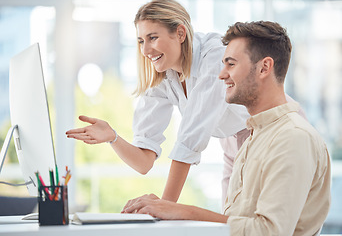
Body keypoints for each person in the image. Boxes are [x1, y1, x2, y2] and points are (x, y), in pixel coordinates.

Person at [121, 21, 331, 236]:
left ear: (264, 67)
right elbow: (238, 224)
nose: (220, 75)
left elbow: (269, 231)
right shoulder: (251, 141)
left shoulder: (293, 139)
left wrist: (178, 209)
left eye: (230, 64)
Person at [66, 0, 249, 203]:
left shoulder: (215, 55)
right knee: (232, 224)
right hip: (232, 145)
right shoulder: (165, 77)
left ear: (180, 33)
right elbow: (144, 162)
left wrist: (166, 205)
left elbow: (191, 136)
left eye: (152, 38)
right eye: (141, 41)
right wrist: (113, 137)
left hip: (266, 133)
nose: (145, 51)